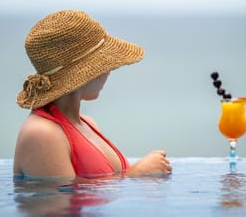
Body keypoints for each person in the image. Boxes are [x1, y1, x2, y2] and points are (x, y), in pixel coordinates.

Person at [13, 10, 172, 179]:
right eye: (104, 64)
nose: (110, 70)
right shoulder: (41, 134)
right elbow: (59, 203)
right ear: (84, 73)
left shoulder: (88, 124)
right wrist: (135, 174)